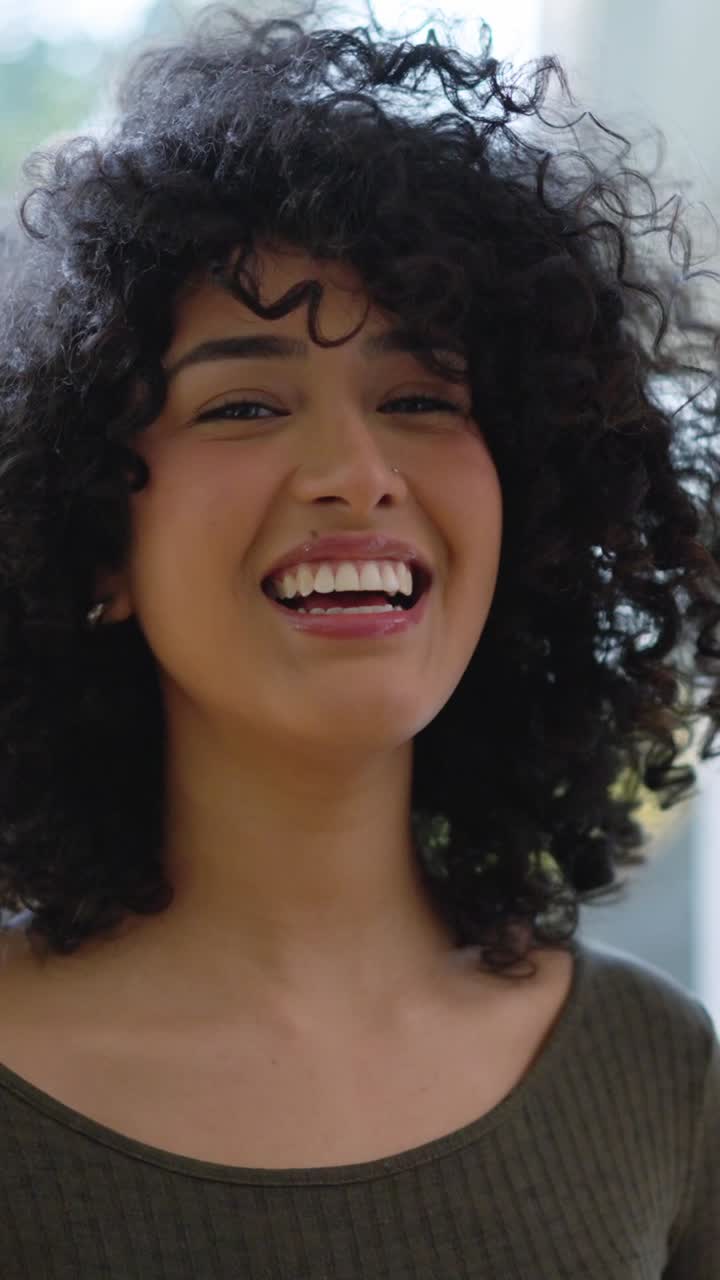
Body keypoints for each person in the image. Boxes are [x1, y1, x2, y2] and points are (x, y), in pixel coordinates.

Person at [0, 2, 717, 1275]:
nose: (357, 470)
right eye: (246, 404)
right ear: (95, 540)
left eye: (420, 397)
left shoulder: (664, 1079)